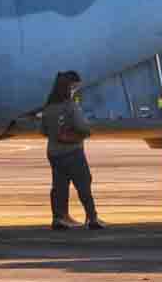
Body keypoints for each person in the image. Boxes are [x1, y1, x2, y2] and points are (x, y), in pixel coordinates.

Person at [41, 71, 104, 230]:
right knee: (83, 183)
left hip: (54, 153)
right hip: (72, 151)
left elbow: (43, 130)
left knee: (59, 186)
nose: (75, 89)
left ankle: (59, 218)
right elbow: (82, 127)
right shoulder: (70, 106)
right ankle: (92, 217)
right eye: (74, 87)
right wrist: (87, 131)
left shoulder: (49, 107)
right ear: (68, 87)